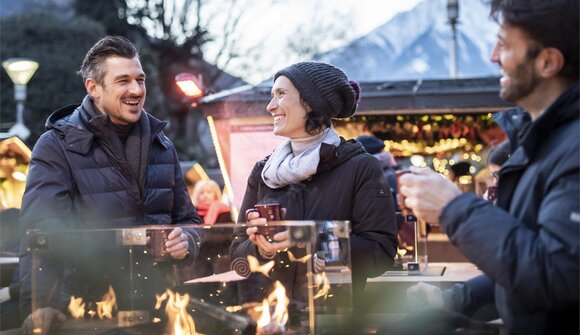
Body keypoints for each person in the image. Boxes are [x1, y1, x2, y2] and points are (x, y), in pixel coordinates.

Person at [399, 0, 579, 334]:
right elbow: (524, 256)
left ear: (548, 62)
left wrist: (453, 207)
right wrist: (456, 299)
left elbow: (556, 274)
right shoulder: (543, 141)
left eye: (505, 45)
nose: (493, 55)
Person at [18, 36, 202, 335]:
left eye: (140, 80)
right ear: (93, 88)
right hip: (88, 314)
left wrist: (188, 241)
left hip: (160, 311)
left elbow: (189, 221)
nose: (136, 90)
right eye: (123, 81)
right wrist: (41, 305)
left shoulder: (162, 145)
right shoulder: (56, 146)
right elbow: (41, 236)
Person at [231, 61, 398, 313]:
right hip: (270, 317)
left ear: (311, 103)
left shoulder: (360, 167)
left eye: (281, 94)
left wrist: (317, 239)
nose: (270, 106)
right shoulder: (264, 172)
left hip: (332, 319)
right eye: (271, 95)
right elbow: (235, 251)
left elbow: (381, 254)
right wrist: (260, 248)